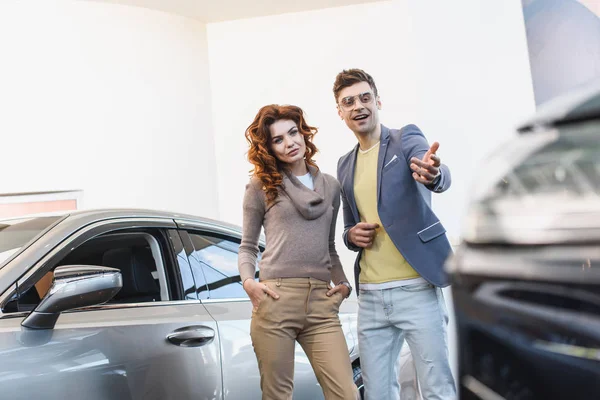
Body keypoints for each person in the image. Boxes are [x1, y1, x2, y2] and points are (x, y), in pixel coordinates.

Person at [333, 69, 456, 399]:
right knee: (377, 393)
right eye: (349, 101)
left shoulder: (405, 139)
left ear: (377, 101)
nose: (358, 106)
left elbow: (434, 170)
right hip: (371, 296)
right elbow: (348, 227)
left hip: (416, 287)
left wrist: (432, 172)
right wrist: (350, 236)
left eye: (364, 98)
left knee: (436, 388)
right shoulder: (344, 165)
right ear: (340, 111)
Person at [238, 104, 359, 400]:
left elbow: (328, 247)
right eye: (278, 139)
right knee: (278, 395)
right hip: (276, 299)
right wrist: (248, 282)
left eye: (293, 133)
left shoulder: (330, 186)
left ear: (303, 134)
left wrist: (343, 285)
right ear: (269, 148)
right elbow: (248, 246)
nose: (289, 142)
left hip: (321, 303)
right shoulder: (261, 186)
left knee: (346, 393)